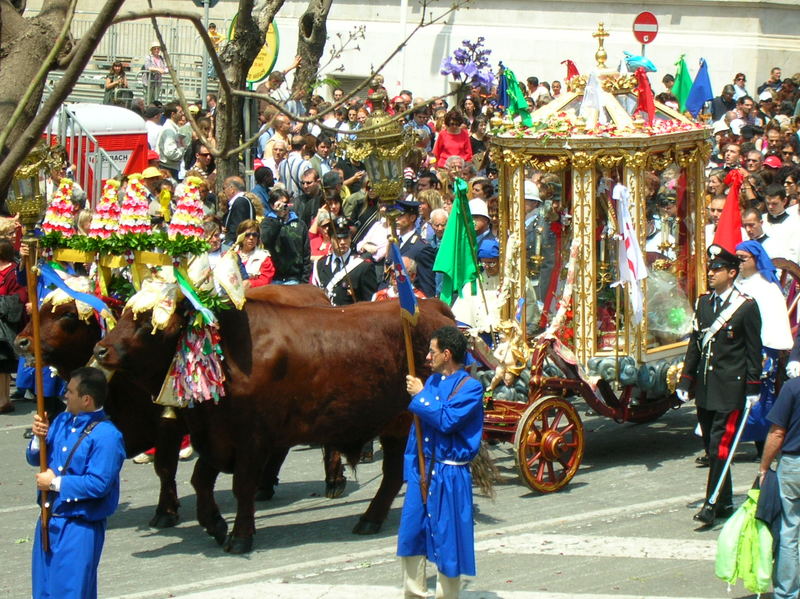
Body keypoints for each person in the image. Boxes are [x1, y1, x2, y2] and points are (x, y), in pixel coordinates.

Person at [676, 244, 762, 525]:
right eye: (710, 268)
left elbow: (753, 350)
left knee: (720, 446)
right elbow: (695, 345)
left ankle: (711, 504)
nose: (711, 273)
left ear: (732, 273)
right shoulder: (703, 303)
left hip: (731, 389)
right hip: (706, 387)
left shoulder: (746, 307)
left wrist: (753, 387)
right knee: (711, 445)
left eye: (717, 269)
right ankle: (724, 501)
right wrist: (686, 380)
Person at [27, 366, 126, 599]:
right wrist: (37, 437)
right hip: (49, 519)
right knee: (44, 591)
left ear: (86, 399)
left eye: (70, 391)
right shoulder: (62, 420)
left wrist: (55, 484)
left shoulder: (107, 436)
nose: (65, 394)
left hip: (80, 526)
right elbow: (36, 458)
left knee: (72, 592)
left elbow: (99, 483)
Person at [399, 325, 483, 599]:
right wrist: (411, 471)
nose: (426, 357)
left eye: (431, 351)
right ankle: (413, 593)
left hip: (449, 473)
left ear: (446, 354)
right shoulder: (433, 382)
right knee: (412, 532)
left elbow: (446, 421)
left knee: (448, 539)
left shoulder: (470, 388)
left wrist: (420, 395)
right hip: (423, 470)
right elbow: (417, 434)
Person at [735, 241, 793, 459]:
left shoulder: (768, 288)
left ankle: (762, 446)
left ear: (756, 260)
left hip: (761, 350)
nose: (739, 263)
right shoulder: (737, 284)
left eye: (743, 258)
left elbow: (774, 321)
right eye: (737, 259)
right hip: (736, 349)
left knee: (759, 398)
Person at [759, 374, 800, 599]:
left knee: (789, 531)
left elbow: (777, 433)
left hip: (794, 465)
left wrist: (764, 467)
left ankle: (787, 593)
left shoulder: (793, 388)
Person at [312, 216, 377, 305]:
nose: (342, 242)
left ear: (350, 238)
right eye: (338, 238)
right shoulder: (320, 265)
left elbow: (370, 303)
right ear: (330, 238)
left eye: (345, 237)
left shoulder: (363, 266)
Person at [260, 188, 311, 284]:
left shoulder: (300, 224)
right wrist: (279, 218)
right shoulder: (267, 223)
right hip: (274, 278)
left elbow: (306, 253)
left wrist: (304, 279)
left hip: (294, 278)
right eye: (279, 204)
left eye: (285, 203)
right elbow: (266, 239)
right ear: (272, 205)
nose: (283, 207)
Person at [0, 238, 25, 414]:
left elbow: (17, 300)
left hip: (5, 326)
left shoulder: (13, 273)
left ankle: (4, 399)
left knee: (2, 365)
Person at [235, 220, 275, 288]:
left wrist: (250, 284)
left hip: (255, 295)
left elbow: (266, 280)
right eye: (247, 235)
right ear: (240, 236)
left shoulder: (264, 257)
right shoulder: (231, 254)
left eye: (254, 235)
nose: (251, 238)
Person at [221, 177, 255, 246]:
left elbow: (237, 228)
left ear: (232, 189)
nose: (223, 192)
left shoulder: (240, 202)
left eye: (224, 188)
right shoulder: (242, 201)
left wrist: (225, 245)